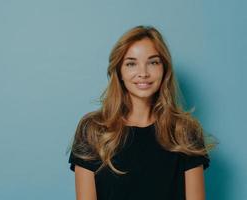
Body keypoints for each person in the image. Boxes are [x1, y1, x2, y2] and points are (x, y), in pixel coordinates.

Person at [67, 25, 217, 200]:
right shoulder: (92, 130)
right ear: (119, 72)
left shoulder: (185, 131)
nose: (143, 73)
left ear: (164, 69)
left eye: (153, 62)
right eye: (131, 63)